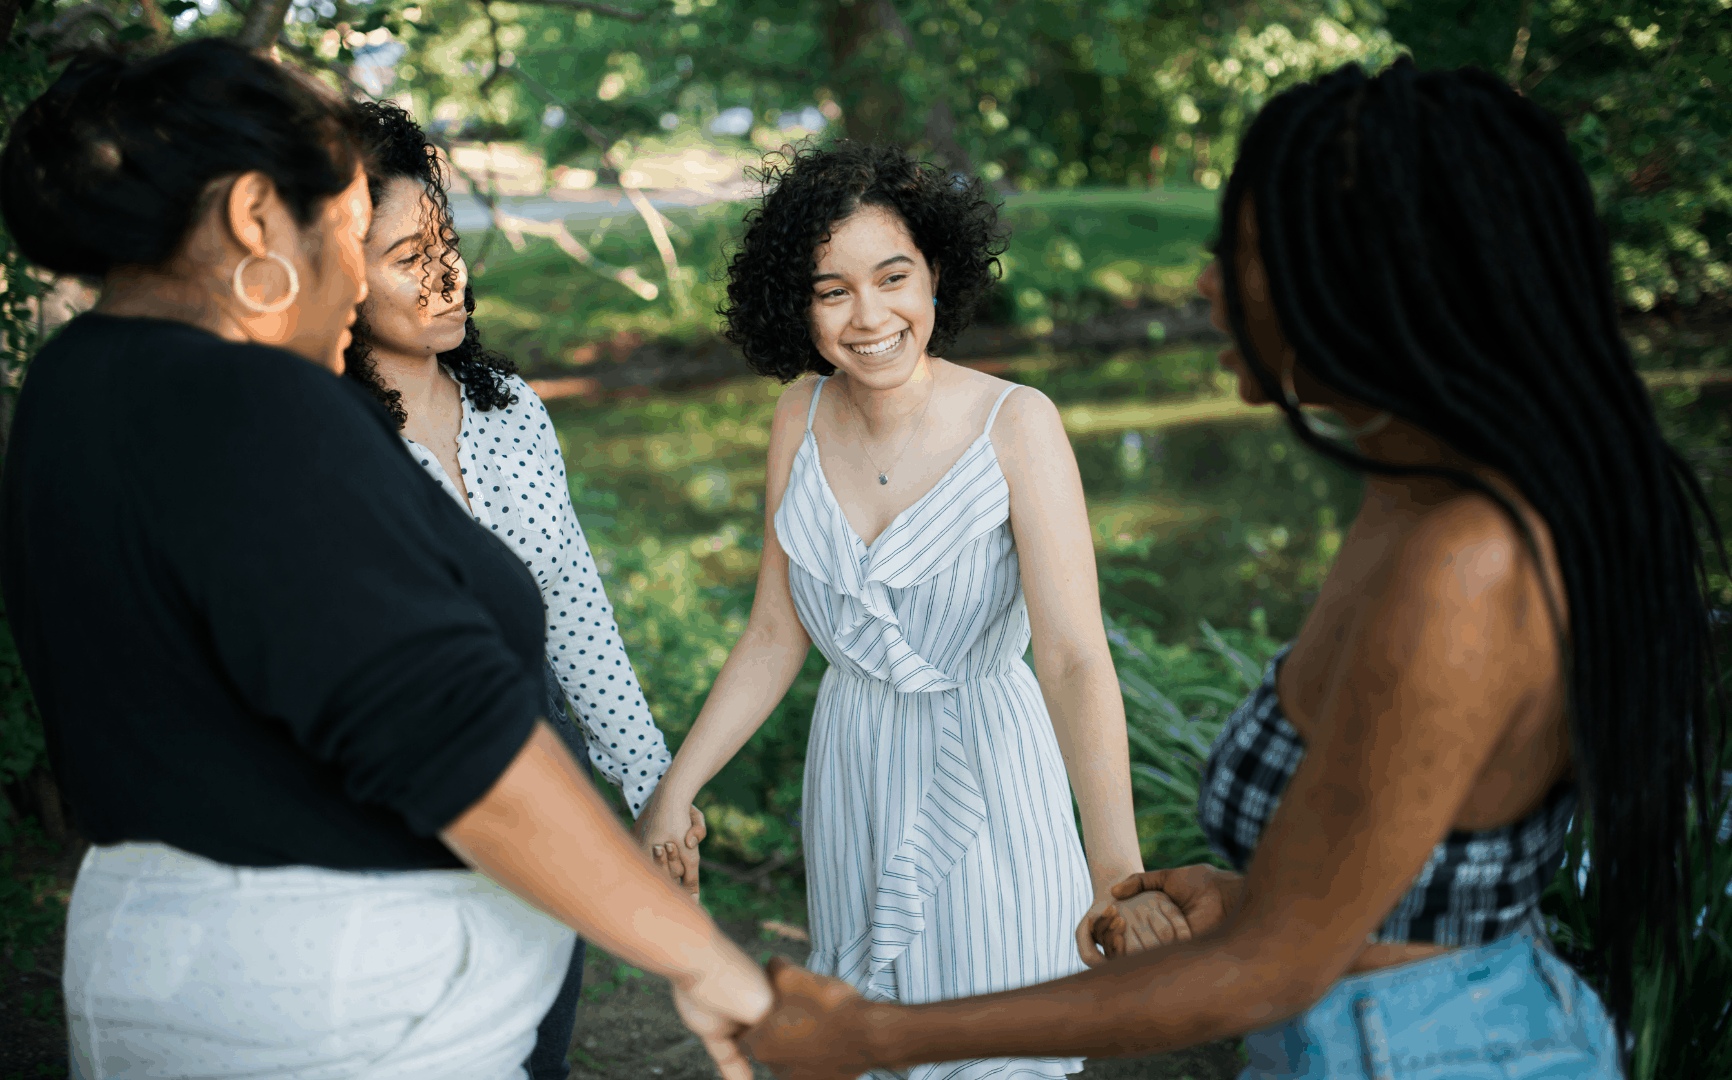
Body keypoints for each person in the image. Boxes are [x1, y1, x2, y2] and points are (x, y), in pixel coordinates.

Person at [738, 59, 1721, 1080]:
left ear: (1367, 279)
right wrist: (1243, 894)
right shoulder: (1408, 495)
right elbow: (1378, 901)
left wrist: (874, 1036)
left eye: (1244, 251)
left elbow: (1272, 971)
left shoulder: (1468, 560)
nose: (1206, 282)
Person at [0, 39, 766, 1080]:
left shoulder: (69, 389)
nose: (357, 280)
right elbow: (455, 746)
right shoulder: (251, 404)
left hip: (163, 960)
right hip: (344, 1010)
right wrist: (706, 962)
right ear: (254, 218)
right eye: (353, 230)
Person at [634, 142, 1187, 1080]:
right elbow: (775, 634)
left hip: (991, 776)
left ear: (938, 274)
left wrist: (1118, 877)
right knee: (865, 1048)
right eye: (831, 290)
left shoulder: (1019, 422)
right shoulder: (797, 416)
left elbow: (1074, 662)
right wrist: (675, 791)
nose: (870, 316)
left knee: (1000, 1048)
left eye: (894, 278)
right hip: (851, 773)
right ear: (796, 304)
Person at [338, 99, 707, 1079]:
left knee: (536, 1039)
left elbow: (575, 607)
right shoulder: (325, 444)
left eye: (447, 241)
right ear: (335, 272)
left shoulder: (511, 411)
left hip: (547, 764)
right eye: (407, 256)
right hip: (399, 796)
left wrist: (652, 781)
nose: (446, 274)